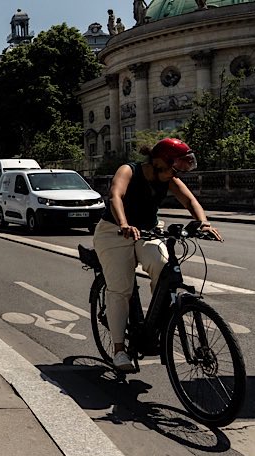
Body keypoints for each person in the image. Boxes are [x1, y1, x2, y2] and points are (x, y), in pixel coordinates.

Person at [93, 138, 221, 371]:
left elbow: (190, 200)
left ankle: (159, 323)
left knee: (163, 268)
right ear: (160, 162)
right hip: (114, 232)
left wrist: (203, 223)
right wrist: (123, 224)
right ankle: (119, 350)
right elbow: (116, 196)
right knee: (121, 288)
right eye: (174, 168)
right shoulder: (129, 170)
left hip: (148, 231)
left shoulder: (168, 179)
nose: (176, 175)